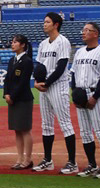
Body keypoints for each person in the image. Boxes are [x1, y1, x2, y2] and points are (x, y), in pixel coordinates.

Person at [33, 12, 78, 174]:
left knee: (65, 123)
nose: (44, 24)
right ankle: (47, 160)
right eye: (44, 21)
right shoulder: (43, 43)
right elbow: (38, 66)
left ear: (56, 24)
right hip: (44, 87)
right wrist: (37, 82)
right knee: (46, 125)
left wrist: (47, 82)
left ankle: (72, 162)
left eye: (47, 22)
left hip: (58, 86)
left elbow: (61, 66)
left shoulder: (63, 42)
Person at [72, 22, 100, 179]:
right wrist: (75, 95)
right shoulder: (79, 52)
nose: (83, 33)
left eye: (87, 30)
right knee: (85, 133)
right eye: (83, 30)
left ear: (95, 34)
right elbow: (74, 74)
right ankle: (92, 164)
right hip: (81, 94)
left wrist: (95, 97)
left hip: (96, 94)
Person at [3, 35, 33, 170]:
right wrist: (6, 94)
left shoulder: (27, 61)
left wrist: (12, 96)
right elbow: (7, 79)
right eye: (12, 41)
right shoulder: (12, 60)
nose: (12, 44)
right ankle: (19, 158)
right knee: (17, 130)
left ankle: (27, 159)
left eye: (15, 42)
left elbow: (23, 82)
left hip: (23, 99)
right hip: (13, 99)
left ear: (22, 45)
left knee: (25, 129)